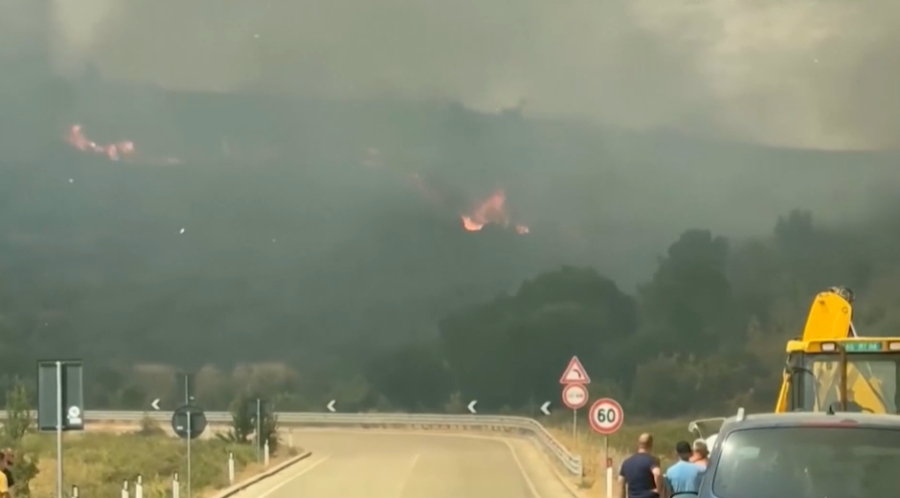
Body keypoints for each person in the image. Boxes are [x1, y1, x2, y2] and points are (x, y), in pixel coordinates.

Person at [618, 433, 662, 498]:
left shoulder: (627, 462)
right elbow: (657, 474)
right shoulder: (652, 460)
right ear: (651, 445)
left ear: (638, 444)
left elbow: (620, 480)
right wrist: (659, 489)